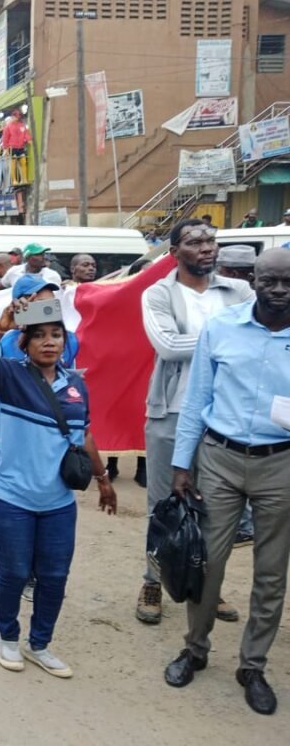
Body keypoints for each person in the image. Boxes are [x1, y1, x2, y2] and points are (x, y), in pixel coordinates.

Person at [162, 248, 290, 716]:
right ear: (251, 281)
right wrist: (182, 466)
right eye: (270, 280)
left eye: (287, 282)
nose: (279, 290)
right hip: (219, 458)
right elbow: (196, 400)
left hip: (281, 464)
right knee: (206, 561)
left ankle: (252, 666)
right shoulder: (222, 327)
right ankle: (195, 649)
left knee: (271, 573)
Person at [0, 289, 117, 679]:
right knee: (15, 572)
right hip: (7, 498)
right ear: (25, 343)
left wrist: (103, 480)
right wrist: (1, 326)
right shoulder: (9, 375)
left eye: (56, 334)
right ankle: (8, 637)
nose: (49, 342)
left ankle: (40, 644)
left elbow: (83, 436)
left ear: (65, 341)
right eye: (40, 335)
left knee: (54, 577)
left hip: (57, 504)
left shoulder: (75, 386)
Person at [137, 219, 253, 625]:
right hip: (171, 410)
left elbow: (257, 338)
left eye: (210, 240)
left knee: (215, 509)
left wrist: (224, 340)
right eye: (193, 241)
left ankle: (208, 587)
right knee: (164, 504)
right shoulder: (158, 293)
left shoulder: (239, 291)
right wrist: (229, 338)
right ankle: (154, 580)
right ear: (174, 252)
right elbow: (167, 346)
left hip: (225, 416)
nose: (205, 247)